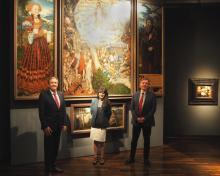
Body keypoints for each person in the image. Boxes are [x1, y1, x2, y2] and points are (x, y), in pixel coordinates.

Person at [17, 2, 53, 95]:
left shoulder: (40, 19)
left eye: (37, 9)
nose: (36, 11)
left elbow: (41, 30)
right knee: (33, 62)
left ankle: (44, 81)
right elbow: (30, 36)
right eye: (34, 9)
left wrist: (45, 33)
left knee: (42, 62)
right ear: (30, 11)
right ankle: (32, 85)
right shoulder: (28, 20)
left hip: (42, 44)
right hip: (33, 45)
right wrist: (40, 32)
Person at [38, 77, 68, 176]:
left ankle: (53, 166)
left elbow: (63, 110)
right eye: (52, 82)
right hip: (49, 127)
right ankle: (48, 168)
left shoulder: (60, 94)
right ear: (49, 84)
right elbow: (41, 112)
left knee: (55, 147)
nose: (54, 84)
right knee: (48, 148)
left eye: (55, 82)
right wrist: (45, 126)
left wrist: (64, 123)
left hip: (59, 126)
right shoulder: (44, 94)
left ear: (58, 84)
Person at [125, 78, 156, 166]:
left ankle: (146, 159)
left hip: (147, 122)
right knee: (134, 140)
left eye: (146, 83)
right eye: (143, 83)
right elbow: (132, 108)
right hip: (136, 122)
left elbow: (153, 109)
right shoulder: (135, 94)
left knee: (147, 140)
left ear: (148, 85)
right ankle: (131, 158)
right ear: (140, 84)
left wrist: (144, 118)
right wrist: (136, 118)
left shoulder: (152, 95)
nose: (144, 84)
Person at [90, 87, 112, 165]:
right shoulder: (94, 101)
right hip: (94, 124)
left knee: (102, 143)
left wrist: (105, 120)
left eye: (103, 93)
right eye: (100, 92)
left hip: (102, 125)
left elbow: (109, 114)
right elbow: (91, 111)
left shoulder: (108, 102)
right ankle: (95, 158)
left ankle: (102, 158)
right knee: (95, 142)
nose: (101, 94)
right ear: (98, 93)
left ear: (105, 94)